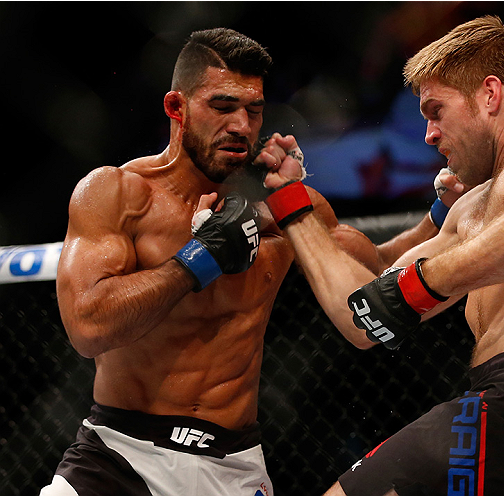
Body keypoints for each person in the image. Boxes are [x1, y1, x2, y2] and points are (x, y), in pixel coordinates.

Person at [40, 28, 441, 496]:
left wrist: (442, 214)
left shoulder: (285, 205)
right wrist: (197, 260)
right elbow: (88, 327)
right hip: (120, 455)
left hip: (233, 468)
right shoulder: (119, 193)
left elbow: (375, 271)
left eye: (253, 110)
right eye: (223, 107)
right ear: (177, 108)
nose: (241, 126)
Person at [267, 15, 504, 496]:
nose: (429, 135)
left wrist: (420, 284)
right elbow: (364, 315)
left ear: (490, 94)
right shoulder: (470, 210)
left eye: (436, 111)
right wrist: (293, 205)